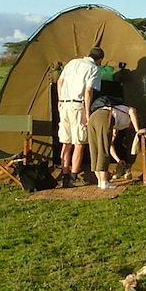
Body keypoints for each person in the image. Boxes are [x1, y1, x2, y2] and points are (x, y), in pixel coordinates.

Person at [56, 47, 104, 187]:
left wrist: (60, 100)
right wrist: (88, 114)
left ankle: (64, 175)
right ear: (100, 59)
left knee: (66, 142)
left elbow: (60, 82)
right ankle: (73, 177)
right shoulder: (93, 69)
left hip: (64, 105)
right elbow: (88, 92)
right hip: (77, 106)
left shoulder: (72, 63)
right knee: (79, 142)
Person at [88, 102, 144, 189]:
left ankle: (100, 181)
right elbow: (132, 111)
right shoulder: (131, 112)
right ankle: (104, 182)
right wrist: (138, 130)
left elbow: (110, 144)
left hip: (93, 117)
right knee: (103, 150)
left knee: (95, 150)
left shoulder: (117, 124)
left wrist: (118, 160)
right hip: (104, 117)